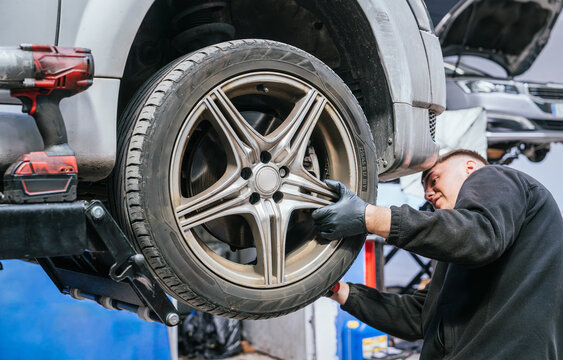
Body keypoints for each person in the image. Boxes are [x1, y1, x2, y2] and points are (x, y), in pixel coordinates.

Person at [312, 149, 563, 359]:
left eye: (434, 180)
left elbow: (478, 235)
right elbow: (418, 317)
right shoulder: (463, 254)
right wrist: (335, 289)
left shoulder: (494, 176)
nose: (429, 195)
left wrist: (370, 217)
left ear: (469, 167)